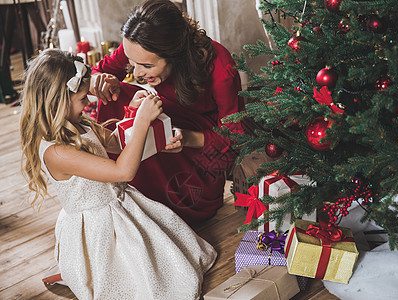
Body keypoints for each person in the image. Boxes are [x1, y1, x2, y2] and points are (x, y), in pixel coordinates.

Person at [19, 49, 217, 299]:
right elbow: (123, 171)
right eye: (82, 99)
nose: (88, 103)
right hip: (97, 225)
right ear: (58, 102)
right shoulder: (57, 152)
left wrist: (133, 114)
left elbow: (114, 143)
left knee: (170, 254)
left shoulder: (79, 124)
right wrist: (144, 121)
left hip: (118, 204)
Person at [90, 0, 244, 225]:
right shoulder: (138, 45)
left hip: (198, 144)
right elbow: (100, 70)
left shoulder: (219, 67)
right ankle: (125, 191)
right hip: (167, 121)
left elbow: (235, 137)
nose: (138, 73)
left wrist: (187, 138)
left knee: (146, 117)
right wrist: (98, 81)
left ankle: (167, 202)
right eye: (132, 64)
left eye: (146, 66)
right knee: (115, 93)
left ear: (174, 54)